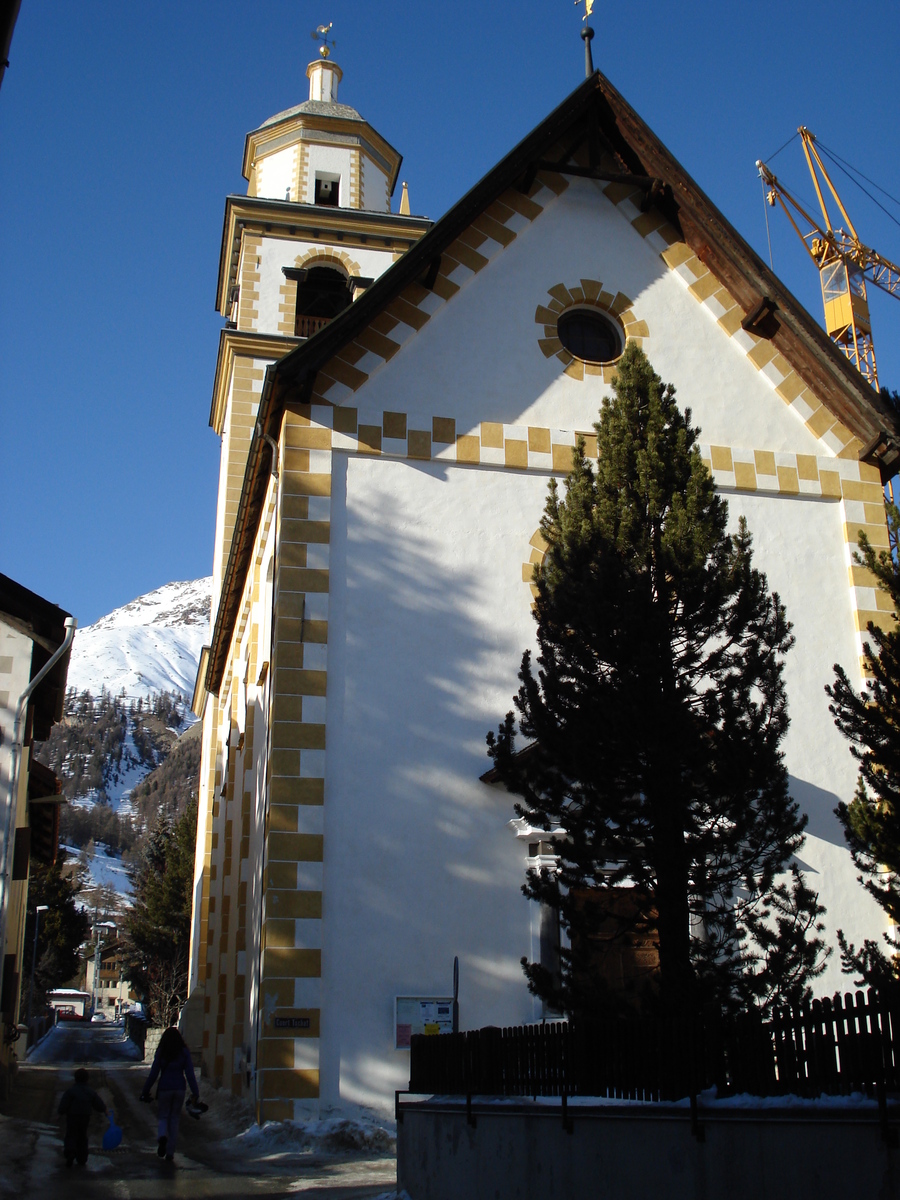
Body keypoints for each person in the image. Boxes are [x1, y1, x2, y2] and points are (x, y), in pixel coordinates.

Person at [139, 1026, 200, 1162]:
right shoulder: (184, 1052)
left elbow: (154, 1073)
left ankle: (162, 1136)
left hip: (164, 1088)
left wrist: (145, 1090)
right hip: (179, 1088)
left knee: (163, 1116)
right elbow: (190, 1074)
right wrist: (195, 1092)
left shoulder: (162, 1052)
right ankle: (170, 1151)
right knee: (174, 1119)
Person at [58, 1067, 107, 1167]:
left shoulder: (71, 1091)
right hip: (85, 1116)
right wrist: (104, 1110)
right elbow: (98, 1103)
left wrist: (61, 1112)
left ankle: (70, 1152)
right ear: (87, 1079)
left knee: (71, 1134)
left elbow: (64, 1104)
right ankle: (82, 1157)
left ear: (75, 1078)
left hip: (72, 1116)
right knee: (82, 1136)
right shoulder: (90, 1092)